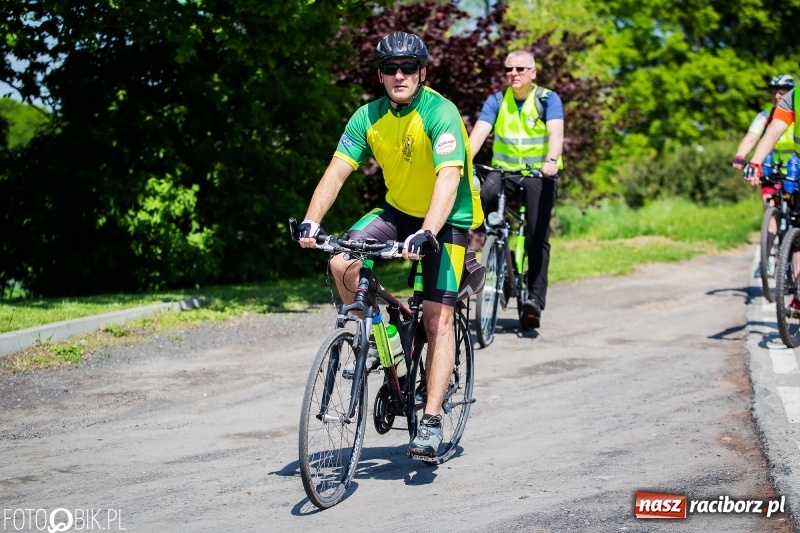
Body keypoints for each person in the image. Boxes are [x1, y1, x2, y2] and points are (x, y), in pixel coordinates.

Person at [295, 31, 483, 459]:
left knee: (437, 318)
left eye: (409, 67)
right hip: (398, 211)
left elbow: (449, 177)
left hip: (447, 216)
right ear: (380, 75)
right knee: (342, 261)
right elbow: (337, 171)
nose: (400, 75)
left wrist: (428, 231)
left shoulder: (441, 111)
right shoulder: (367, 117)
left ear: (421, 72)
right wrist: (312, 221)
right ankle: (379, 339)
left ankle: (431, 420)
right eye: (391, 68)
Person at [468, 49, 564, 330]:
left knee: (537, 234)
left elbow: (556, 133)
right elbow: (478, 134)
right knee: (484, 194)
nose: (514, 74)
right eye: (509, 69)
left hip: (539, 175)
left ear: (533, 73)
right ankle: (500, 250)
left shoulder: (547, 99)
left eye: (521, 69)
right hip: (505, 173)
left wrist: (551, 161)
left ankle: (534, 300)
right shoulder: (497, 101)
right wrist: (461, 163)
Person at [744, 72, 800, 313]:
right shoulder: (793, 99)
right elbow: (771, 133)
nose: (778, 93)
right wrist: (754, 162)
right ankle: (798, 292)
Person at [732, 74, 796, 207]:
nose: (777, 96)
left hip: (796, 166)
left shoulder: (796, 112)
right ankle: (771, 225)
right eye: (773, 93)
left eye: (781, 93)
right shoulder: (765, 115)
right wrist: (740, 156)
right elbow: (751, 137)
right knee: (769, 203)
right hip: (773, 167)